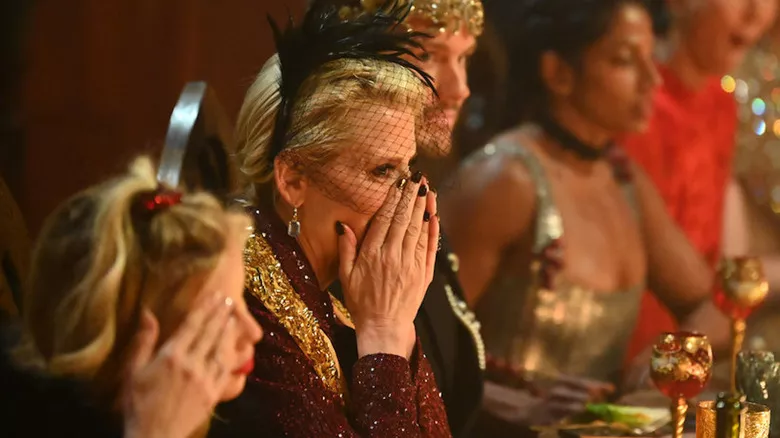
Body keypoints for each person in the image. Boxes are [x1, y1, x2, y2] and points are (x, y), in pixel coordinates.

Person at [440, 0, 729, 430]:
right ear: (558, 72)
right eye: (624, 61)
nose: (652, 79)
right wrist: (518, 407)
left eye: (651, 58)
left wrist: (661, 360)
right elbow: (418, 345)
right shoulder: (507, 180)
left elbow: (712, 310)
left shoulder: (624, 180)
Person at [209, 3, 450, 437]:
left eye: (407, 168)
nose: (407, 198)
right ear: (293, 179)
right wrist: (384, 334)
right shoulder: (244, 312)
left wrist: (393, 325)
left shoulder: (340, 300)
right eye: (381, 171)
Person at [311, 0, 486, 435]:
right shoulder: (335, 236)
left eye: (464, 58)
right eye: (428, 54)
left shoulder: (412, 203)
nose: (460, 88)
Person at [1, 157, 263, 438]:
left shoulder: (240, 417)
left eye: (240, 299)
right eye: (220, 317)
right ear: (124, 339)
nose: (254, 332)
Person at [620, 0, 778, 362]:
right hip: (629, 354)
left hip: (689, 345)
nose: (756, 11)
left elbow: (720, 256)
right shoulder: (634, 106)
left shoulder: (721, 104)